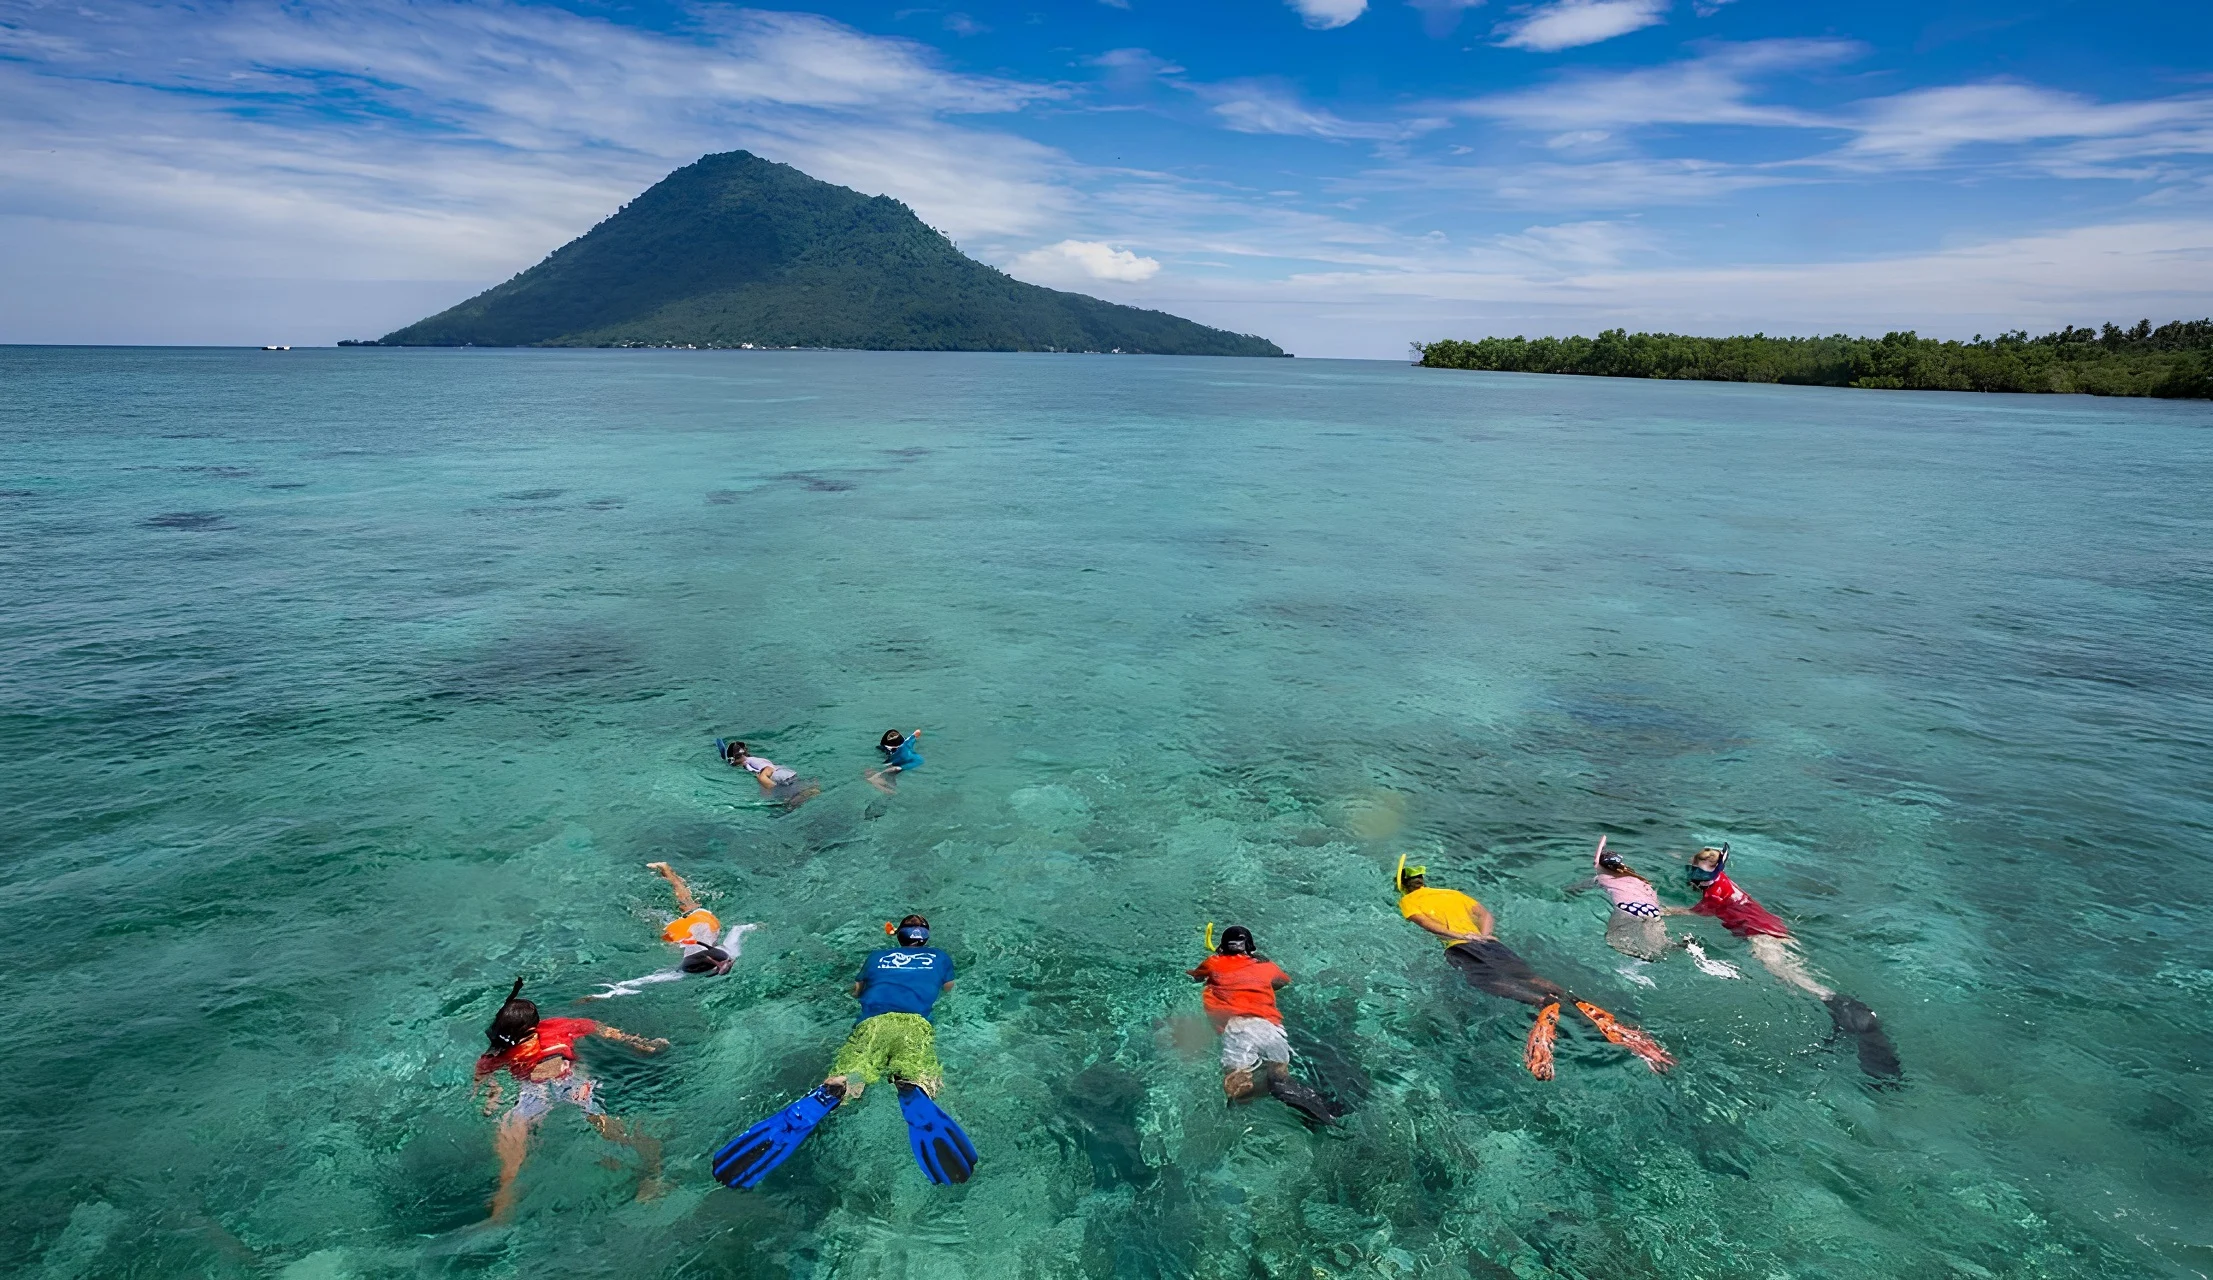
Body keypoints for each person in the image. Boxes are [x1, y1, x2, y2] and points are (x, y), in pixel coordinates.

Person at [711, 915, 977, 1189]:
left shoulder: (876, 957)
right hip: (915, 1025)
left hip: (871, 1025)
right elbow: (948, 989)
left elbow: (857, 991)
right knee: (918, 1072)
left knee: (853, 1074)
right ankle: (911, 1086)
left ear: (899, 936)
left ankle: (838, 1090)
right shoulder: (940, 957)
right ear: (925, 938)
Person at [1396, 855, 1673, 1080]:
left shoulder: (1408, 900)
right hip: (1494, 944)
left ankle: (1544, 1005)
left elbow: (1421, 921)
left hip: (1462, 947)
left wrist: (1461, 937)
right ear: (1423, 880)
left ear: (1405, 886)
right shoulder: (1453, 893)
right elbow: (1485, 914)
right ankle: (1576, 1003)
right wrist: (1485, 934)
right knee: (1531, 977)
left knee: (1488, 983)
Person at [1662, 845, 1902, 1082]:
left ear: (1715, 873)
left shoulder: (1713, 891)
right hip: (1771, 924)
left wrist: (1667, 911)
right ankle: (1833, 1000)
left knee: (1781, 972)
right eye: (1693, 870)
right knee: (1792, 971)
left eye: (1702, 873)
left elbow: (1700, 912)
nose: (1696, 876)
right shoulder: (1721, 880)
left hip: (1760, 932)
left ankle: (1835, 1001)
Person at [471, 978, 668, 1221]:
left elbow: (597, 1027)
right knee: (519, 1128)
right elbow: (600, 1028)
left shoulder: (524, 1039)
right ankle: (505, 1194)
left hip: (551, 1086)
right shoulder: (520, 1042)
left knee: (525, 1126)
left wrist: (639, 1043)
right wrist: (636, 1043)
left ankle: (652, 1172)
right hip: (553, 1086)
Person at [1186, 924, 1341, 1124]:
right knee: (1281, 1079)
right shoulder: (1267, 966)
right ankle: (1321, 1115)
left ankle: (1240, 1123)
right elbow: (1282, 982)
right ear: (1250, 947)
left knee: (1237, 1088)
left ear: (1222, 947)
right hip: (1271, 1028)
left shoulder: (1213, 962)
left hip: (1238, 1029)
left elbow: (1195, 977)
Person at [580, 863, 760, 1000]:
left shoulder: (729, 952)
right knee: (653, 920)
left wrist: (754, 926)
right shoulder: (685, 969)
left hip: (707, 923)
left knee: (687, 902)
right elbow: (650, 979)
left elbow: (737, 929)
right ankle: (662, 877)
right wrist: (609, 992)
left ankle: (666, 871)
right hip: (682, 933)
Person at [1569, 837, 1740, 979]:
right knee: (1660, 943)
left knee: (1623, 944)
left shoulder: (1601, 879)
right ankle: (1697, 956)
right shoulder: (1641, 881)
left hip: (1627, 909)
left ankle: (1635, 969)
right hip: (1651, 910)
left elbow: (1575, 890)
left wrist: (1567, 893)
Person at [717, 738, 820, 808]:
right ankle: (809, 789)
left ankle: (805, 793)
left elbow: (767, 770)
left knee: (788, 804)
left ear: (733, 759)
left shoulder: (748, 763)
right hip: (785, 772)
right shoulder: (752, 759)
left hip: (777, 776)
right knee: (793, 796)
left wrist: (773, 791)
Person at [864, 728, 924, 794]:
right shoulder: (908, 743)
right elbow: (917, 732)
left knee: (892, 769)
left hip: (897, 762)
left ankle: (878, 781)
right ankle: (889, 788)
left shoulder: (889, 750)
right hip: (909, 761)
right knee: (893, 771)